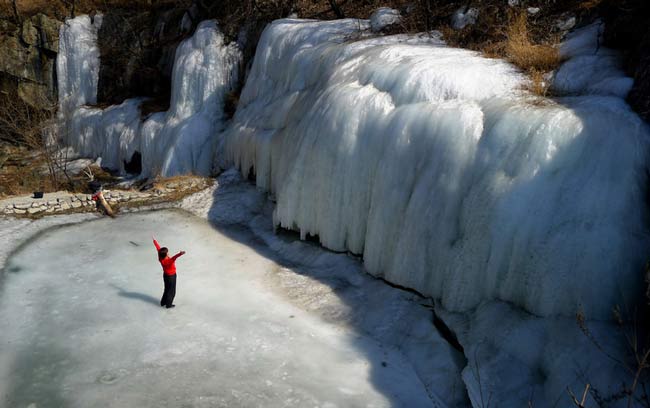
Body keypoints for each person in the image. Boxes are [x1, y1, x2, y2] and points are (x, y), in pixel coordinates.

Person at [153, 237, 186, 309]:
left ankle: (163, 302)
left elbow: (158, 248)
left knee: (166, 289)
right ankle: (168, 304)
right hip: (171, 277)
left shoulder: (160, 257)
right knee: (172, 291)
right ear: (165, 254)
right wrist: (180, 253)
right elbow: (174, 258)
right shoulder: (168, 261)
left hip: (165, 275)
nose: (168, 252)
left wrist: (154, 240)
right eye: (167, 252)